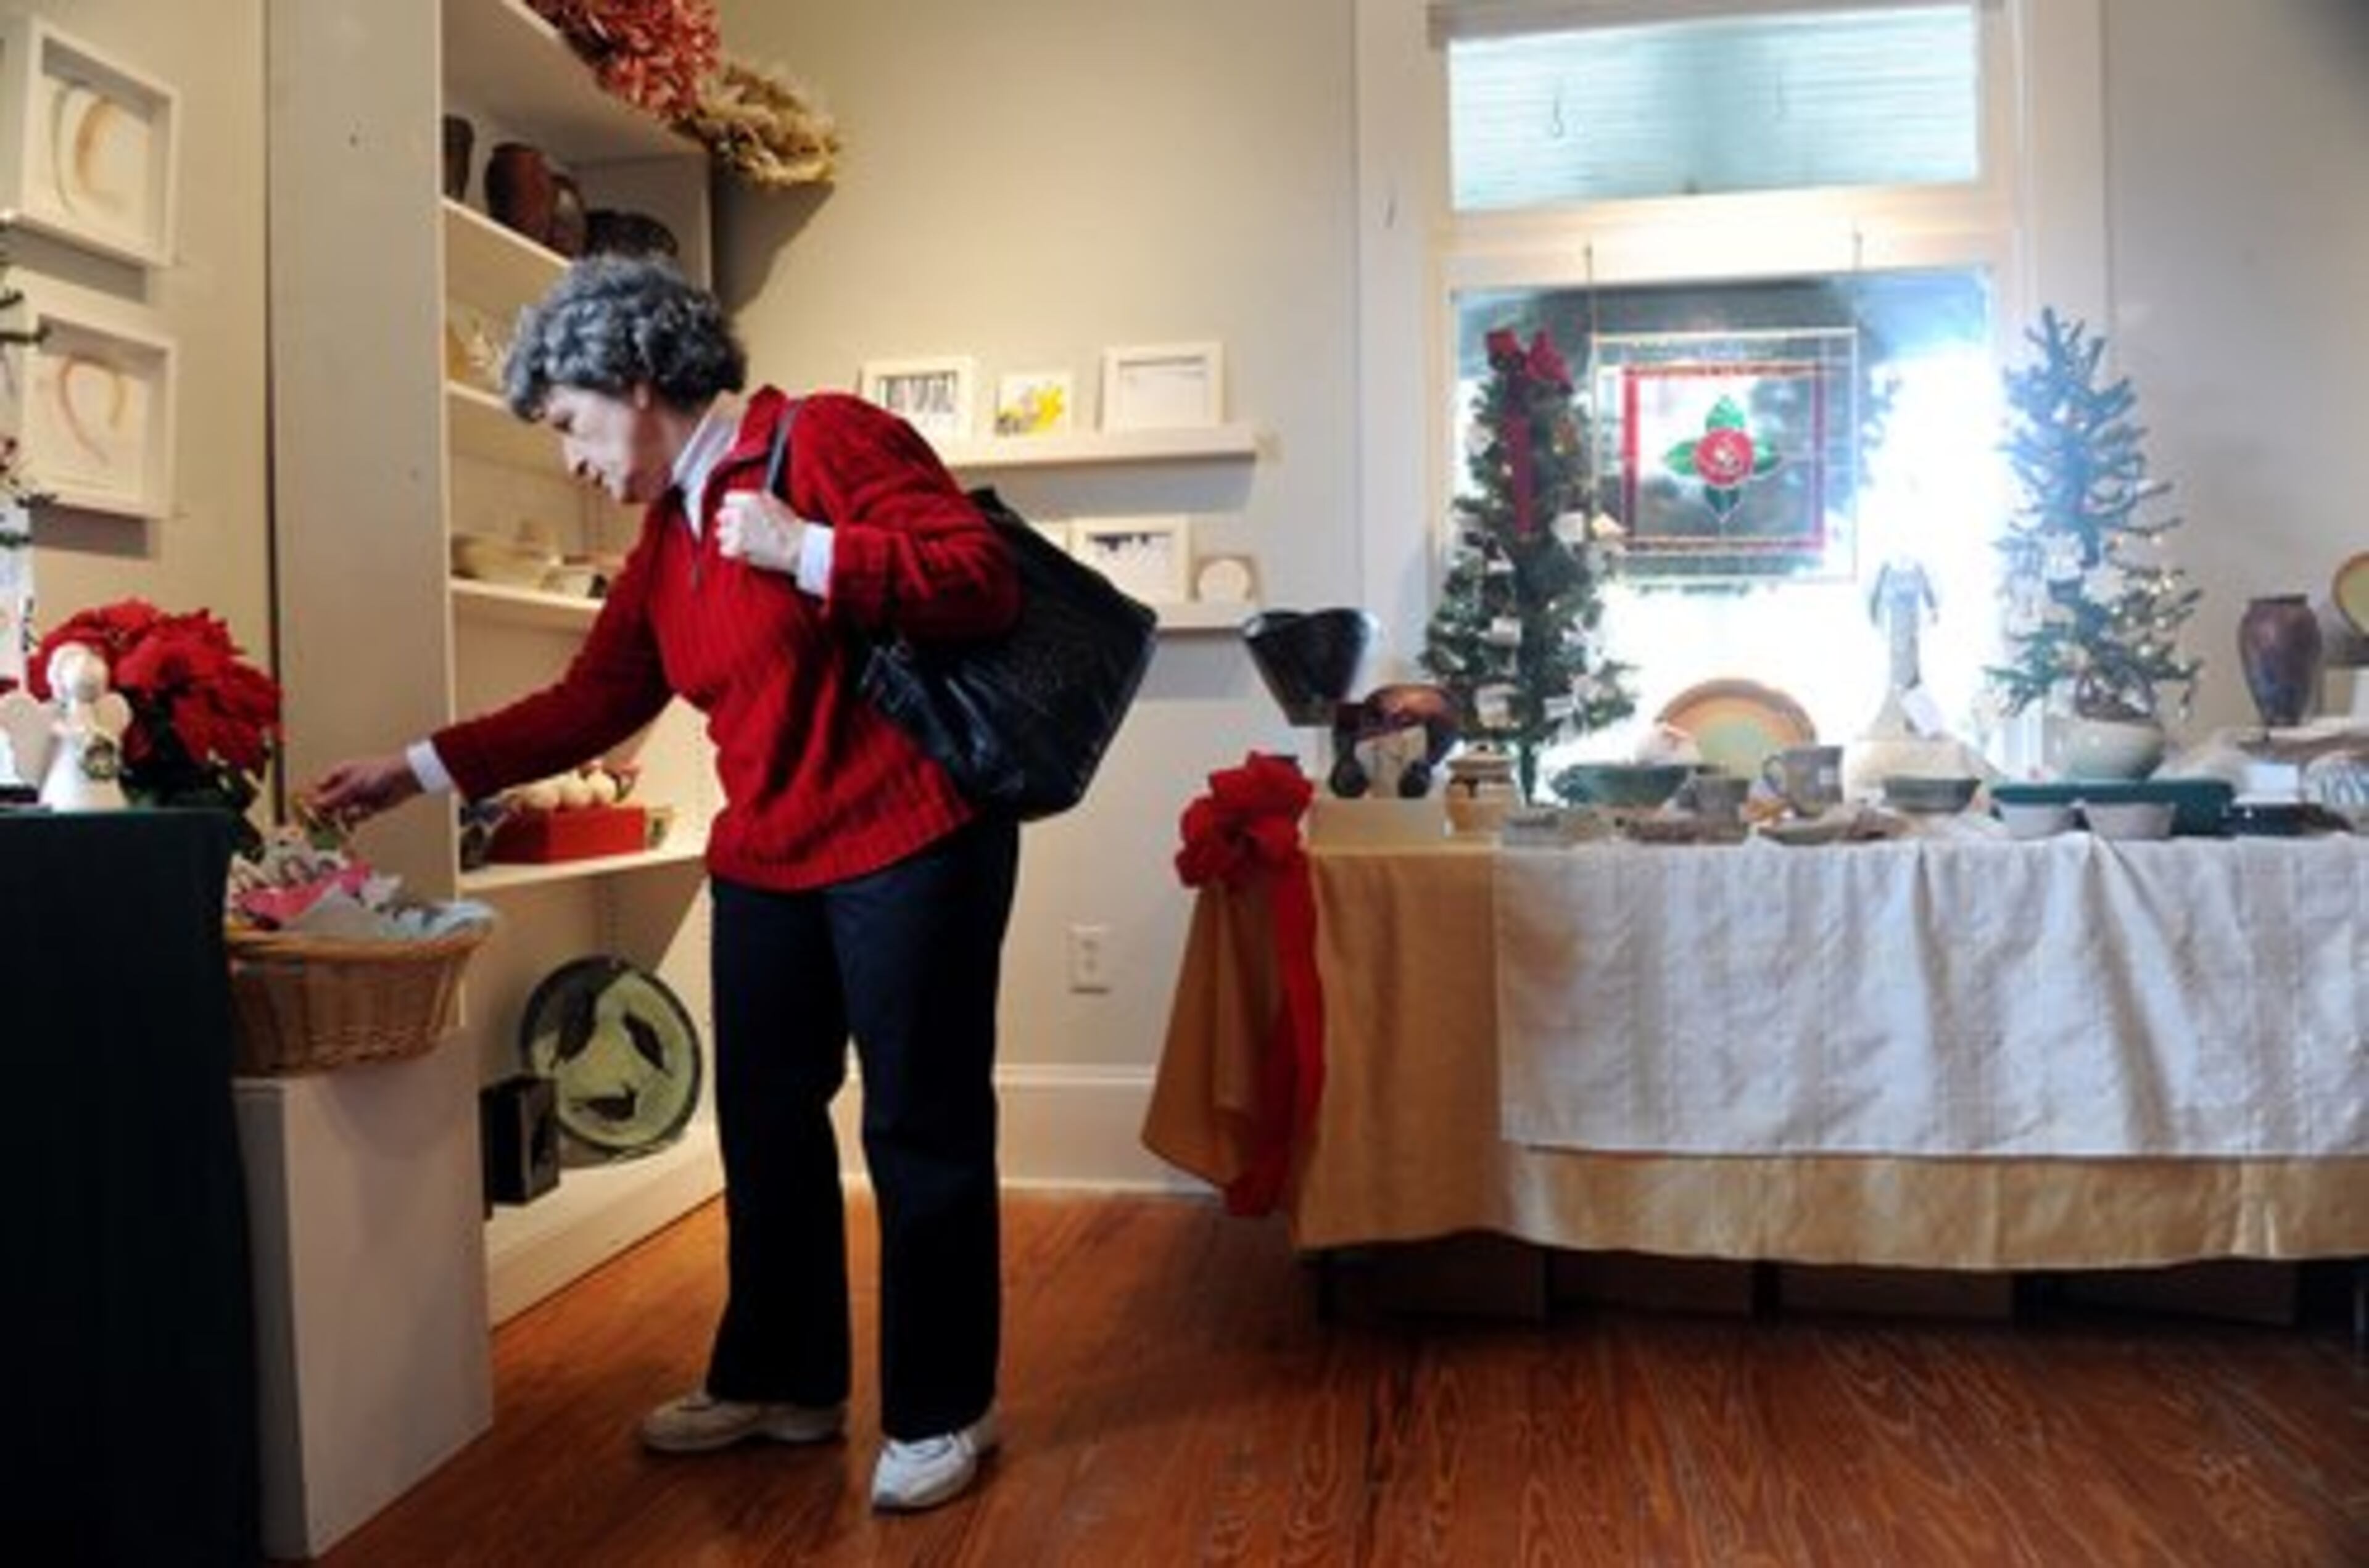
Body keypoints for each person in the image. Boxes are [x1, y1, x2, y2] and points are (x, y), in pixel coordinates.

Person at [307, 255, 1022, 1514]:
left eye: (575, 426)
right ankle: (785, 1379)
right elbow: (592, 699)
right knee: (762, 1116)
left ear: (641, 381)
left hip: (914, 840)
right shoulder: (669, 535)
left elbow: (981, 577)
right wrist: (412, 768)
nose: (573, 460)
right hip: (769, 856)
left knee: (922, 1126)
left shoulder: (828, 442)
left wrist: (811, 551)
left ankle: (943, 1406)